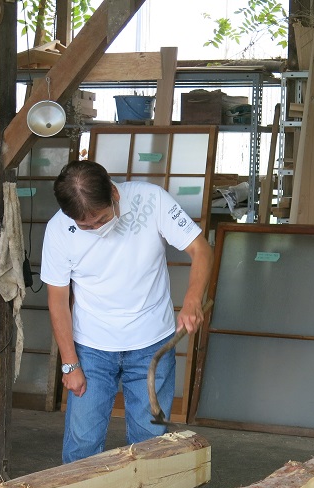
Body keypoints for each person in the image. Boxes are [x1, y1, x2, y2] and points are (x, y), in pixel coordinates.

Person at [41, 160, 213, 463]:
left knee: (150, 441)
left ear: (114, 194)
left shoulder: (151, 199)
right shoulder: (58, 230)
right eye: (86, 227)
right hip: (91, 348)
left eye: (101, 219)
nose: (96, 230)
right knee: (82, 441)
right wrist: (70, 364)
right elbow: (58, 300)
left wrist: (192, 299)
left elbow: (200, 249)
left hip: (152, 344)